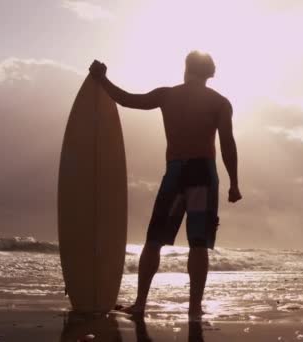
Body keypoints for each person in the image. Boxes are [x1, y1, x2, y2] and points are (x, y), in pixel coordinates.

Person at [89, 51, 242, 319]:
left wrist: (102, 79)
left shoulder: (167, 95)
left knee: (154, 240)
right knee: (198, 243)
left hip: (176, 173)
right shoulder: (220, 102)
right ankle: (194, 310)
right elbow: (228, 144)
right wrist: (234, 183)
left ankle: (139, 304)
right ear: (209, 73)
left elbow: (127, 100)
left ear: (186, 68)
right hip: (202, 175)